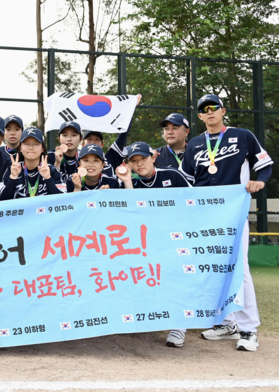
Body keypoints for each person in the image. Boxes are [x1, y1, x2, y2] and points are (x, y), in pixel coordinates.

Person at [180, 94, 272, 352]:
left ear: (223, 111)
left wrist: (260, 181)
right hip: (203, 216)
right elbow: (185, 181)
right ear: (200, 116)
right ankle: (227, 323)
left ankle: (248, 329)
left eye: (214, 107)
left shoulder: (242, 136)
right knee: (213, 269)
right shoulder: (195, 144)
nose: (209, 111)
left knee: (239, 269)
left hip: (233, 213)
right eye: (204, 109)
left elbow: (264, 164)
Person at [114, 141, 191, 348]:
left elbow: (193, 201)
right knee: (143, 279)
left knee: (175, 280)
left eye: (143, 158)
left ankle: (179, 326)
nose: (139, 164)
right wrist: (127, 182)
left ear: (153, 157)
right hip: (143, 243)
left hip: (173, 239)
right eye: (134, 161)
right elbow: (129, 212)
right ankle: (146, 319)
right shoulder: (129, 182)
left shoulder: (173, 175)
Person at [0, 128, 65, 199]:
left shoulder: (52, 170)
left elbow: (61, 200)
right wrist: (13, 177)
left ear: (42, 149)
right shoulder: (12, 170)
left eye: (35, 144)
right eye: (26, 144)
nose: (30, 147)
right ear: (20, 148)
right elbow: (4, 199)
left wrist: (48, 178)